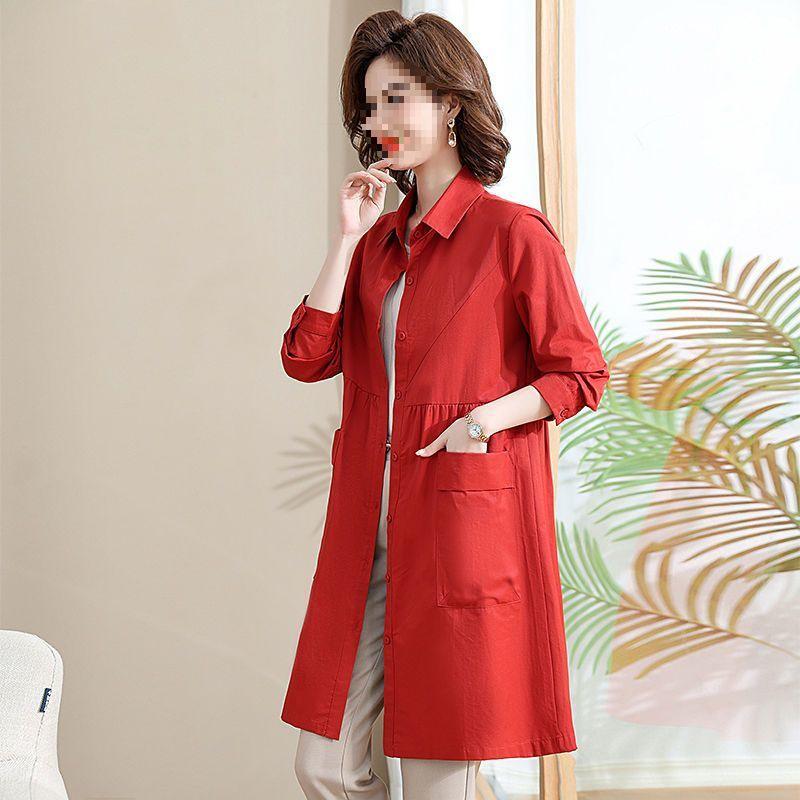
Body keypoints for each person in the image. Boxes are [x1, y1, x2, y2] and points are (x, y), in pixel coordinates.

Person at [280, 11, 610, 800]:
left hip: (460, 527)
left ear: (450, 103)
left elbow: (580, 373)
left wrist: (482, 420)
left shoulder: (513, 234)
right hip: (366, 531)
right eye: (370, 105)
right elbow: (306, 357)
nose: (379, 120)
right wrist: (346, 239)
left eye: (398, 98)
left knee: (438, 775)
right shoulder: (377, 245)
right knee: (323, 764)